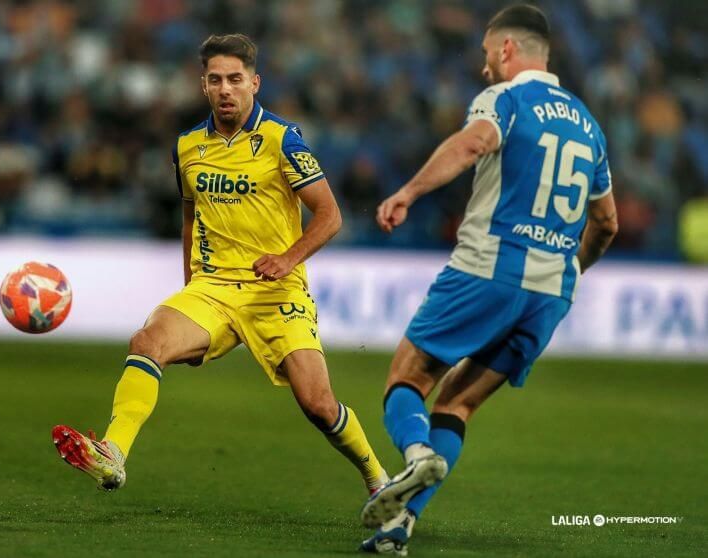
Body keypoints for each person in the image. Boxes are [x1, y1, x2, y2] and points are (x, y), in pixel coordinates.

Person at [52, 34, 388, 497]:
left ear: (255, 82)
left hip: (277, 292)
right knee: (147, 341)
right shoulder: (188, 146)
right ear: (203, 86)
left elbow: (330, 216)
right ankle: (113, 453)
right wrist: (191, 295)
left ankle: (377, 477)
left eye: (235, 79)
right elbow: (191, 220)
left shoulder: (282, 140)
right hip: (213, 290)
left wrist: (287, 258)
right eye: (215, 80)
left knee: (318, 405)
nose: (225, 89)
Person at [358, 5, 618, 555]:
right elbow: (607, 223)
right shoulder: (590, 127)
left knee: (408, 378)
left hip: (490, 267)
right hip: (550, 293)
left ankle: (415, 455)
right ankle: (399, 525)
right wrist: (571, 270)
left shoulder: (505, 100)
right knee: (457, 405)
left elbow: (472, 143)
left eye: (485, 55)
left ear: (506, 50)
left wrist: (408, 192)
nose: (483, 69)